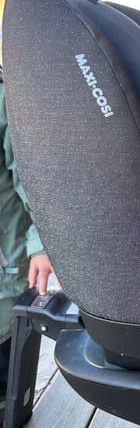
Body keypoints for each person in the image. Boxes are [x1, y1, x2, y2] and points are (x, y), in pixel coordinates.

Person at [0, 69, 55, 421]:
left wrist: (40, 243)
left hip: (6, 267)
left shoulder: (5, 100)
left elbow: (31, 177)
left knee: (7, 366)